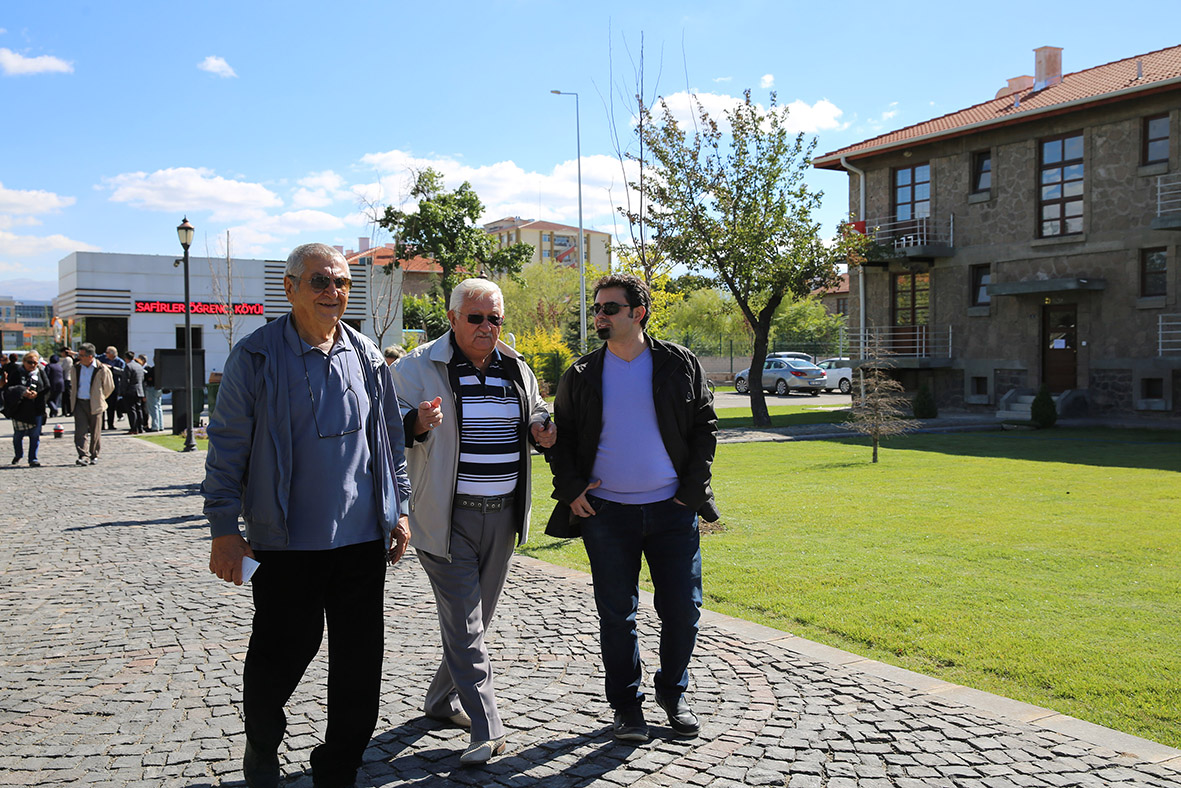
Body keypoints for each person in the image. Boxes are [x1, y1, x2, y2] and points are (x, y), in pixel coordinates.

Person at [202, 242, 412, 788]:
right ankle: (262, 740)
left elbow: (389, 440)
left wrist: (400, 509)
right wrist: (225, 529)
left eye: (341, 282)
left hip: (362, 543)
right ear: (291, 287)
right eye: (319, 281)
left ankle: (338, 768)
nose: (332, 292)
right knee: (281, 656)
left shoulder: (367, 354)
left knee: (360, 669)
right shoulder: (255, 357)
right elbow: (226, 448)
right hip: (286, 543)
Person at [388, 277, 555, 766]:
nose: (488, 327)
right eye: (477, 318)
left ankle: (439, 702)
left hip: (503, 515)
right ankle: (488, 728)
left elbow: (536, 409)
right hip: (444, 516)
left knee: (473, 624)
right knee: (465, 624)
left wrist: (541, 426)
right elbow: (386, 422)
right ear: (453, 316)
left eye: (496, 318)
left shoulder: (516, 366)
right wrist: (416, 422)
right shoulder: (417, 366)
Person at [547, 273, 718, 743]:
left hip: (672, 510)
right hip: (607, 514)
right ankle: (627, 708)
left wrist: (692, 488)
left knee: (683, 609)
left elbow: (705, 427)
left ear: (638, 313)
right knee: (617, 614)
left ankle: (672, 693)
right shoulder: (581, 374)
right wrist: (572, 489)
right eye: (597, 308)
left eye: (610, 308)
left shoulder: (678, 363)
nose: (599, 316)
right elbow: (562, 441)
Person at [69, 343, 115, 466]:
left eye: (82, 355)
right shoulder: (76, 368)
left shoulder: (101, 369)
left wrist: (100, 398)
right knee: (80, 431)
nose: (79, 357)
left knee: (95, 431)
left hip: (95, 404)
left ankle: (94, 454)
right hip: (79, 402)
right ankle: (83, 455)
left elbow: (109, 387)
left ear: (90, 356)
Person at [3, 351, 50, 467]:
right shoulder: (17, 373)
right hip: (20, 409)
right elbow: (9, 389)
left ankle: (33, 458)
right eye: (30, 362)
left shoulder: (40, 373)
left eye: (35, 363)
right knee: (18, 435)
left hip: (36, 408)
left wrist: (37, 393)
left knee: (35, 435)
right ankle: (18, 454)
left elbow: (47, 387)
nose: (32, 365)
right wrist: (22, 392)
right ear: (24, 362)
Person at [121, 350, 146, 434]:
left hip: (130, 391)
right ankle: (140, 427)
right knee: (139, 410)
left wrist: (123, 391)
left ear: (126, 358)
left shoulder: (128, 366)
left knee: (131, 410)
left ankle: (134, 428)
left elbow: (126, 380)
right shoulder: (139, 366)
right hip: (139, 390)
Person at [103, 346, 125, 431]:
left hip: (114, 387)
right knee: (102, 407)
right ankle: (101, 425)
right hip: (104, 386)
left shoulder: (119, 361)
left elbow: (123, 372)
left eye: (107, 353)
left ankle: (110, 424)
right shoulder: (104, 360)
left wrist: (112, 369)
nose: (106, 354)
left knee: (111, 407)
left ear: (112, 354)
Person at [140, 354, 164, 432]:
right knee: (159, 407)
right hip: (159, 389)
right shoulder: (161, 369)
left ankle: (155, 426)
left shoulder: (152, 370)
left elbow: (148, 378)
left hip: (151, 389)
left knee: (153, 408)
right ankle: (160, 425)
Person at [59, 348, 74, 417]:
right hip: (67, 379)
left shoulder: (67, 359)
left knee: (67, 396)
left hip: (67, 378)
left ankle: (69, 410)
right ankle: (66, 410)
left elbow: (62, 368)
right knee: (66, 396)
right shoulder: (69, 359)